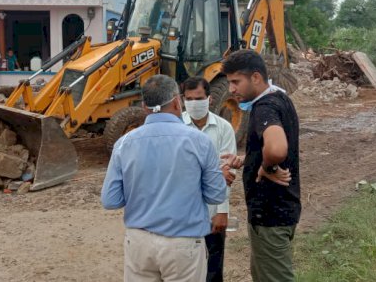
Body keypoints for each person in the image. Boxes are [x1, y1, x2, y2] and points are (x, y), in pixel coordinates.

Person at [101, 74, 227, 282]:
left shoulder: (124, 143)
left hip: (139, 243)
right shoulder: (199, 141)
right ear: (178, 101)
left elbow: (110, 200)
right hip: (183, 244)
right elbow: (216, 194)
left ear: (144, 106)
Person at [219, 49, 301, 282]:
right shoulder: (281, 98)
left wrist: (268, 168)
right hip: (283, 209)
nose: (232, 89)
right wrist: (251, 159)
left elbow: (276, 149)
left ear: (255, 77)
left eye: (236, 82)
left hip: (270, 214)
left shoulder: (264, 107)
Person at [180, 77, 236, 282]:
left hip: (212, 212)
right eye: (189, 99)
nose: (194, 103)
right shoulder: (177, 127)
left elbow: (227, 175)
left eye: (199, 98)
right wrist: (211, 174)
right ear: (182, 99)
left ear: (210, 99)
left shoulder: (223, 128)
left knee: (213, 268)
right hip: (183, 214)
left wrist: (222, 211)